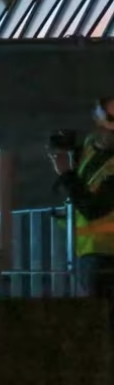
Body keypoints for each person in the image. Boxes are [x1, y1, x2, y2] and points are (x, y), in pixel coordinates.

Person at [52, 96, 114, 299]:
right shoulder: (90, 145)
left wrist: (66, 173)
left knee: (100, 312)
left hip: (106, 253)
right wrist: (65, 153)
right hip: (86, 249)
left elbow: (93, 210)